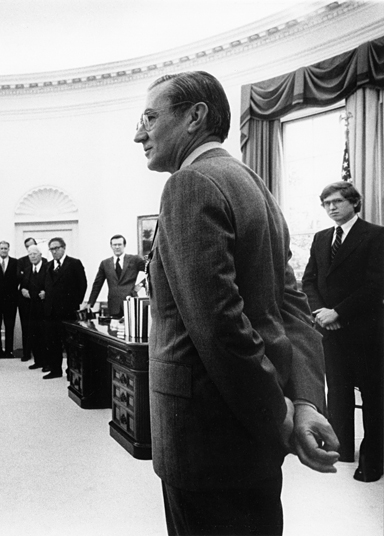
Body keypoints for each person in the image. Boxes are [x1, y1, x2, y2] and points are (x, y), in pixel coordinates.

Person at [133, 70, 340, 535]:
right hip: (250, 442)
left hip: (205, 440)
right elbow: (293, 306)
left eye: (149, 117)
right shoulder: (252, 184)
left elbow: (219, 327)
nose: (139, 133)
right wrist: (305, 401)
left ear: (194, 117)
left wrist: (279, 412)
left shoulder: (189, 185)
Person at [302, 181, 384, 483]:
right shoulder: (321, 238)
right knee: (337, 392)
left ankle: (373, 460)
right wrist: (320, 312)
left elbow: (376, 286)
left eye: (337, 201)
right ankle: (342, 449)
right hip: (329, 330)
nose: (331, 207)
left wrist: (339, 312)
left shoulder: (375, 235)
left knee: (374, 397)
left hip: (365, 330)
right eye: (326, 203)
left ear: (353, 202)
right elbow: (309, 280)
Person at [42, 237, 87, 379]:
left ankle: (71, 371)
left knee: (69, 344)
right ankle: (55, 370)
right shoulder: (48, 266)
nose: (54, 251)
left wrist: (73, 303)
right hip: (51, 312)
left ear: (64, 248)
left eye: (57, 248)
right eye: (52, 249)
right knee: (52, 342)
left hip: (67, 311)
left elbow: (82, 285)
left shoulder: (74, 263)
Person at [86, 234, 145, 318]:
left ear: (124, 245)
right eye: (115, 245)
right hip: (114, 305)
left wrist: (141, 285)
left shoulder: (135, 259)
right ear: (111, 246)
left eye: (119, 244)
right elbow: (97, 284)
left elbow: (150, 272)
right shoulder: (105, 263)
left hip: (131, 303)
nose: (117, 247)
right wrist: (90, 303)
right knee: (114, 329)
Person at [21, 245, 50, 371]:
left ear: (40, 255)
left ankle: (47, 363)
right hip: (31, 307)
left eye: (34, 254)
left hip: (45, 307)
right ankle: (38, 361)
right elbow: (23, 285)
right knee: (34, 335)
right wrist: (22, 289)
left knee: (45, 335)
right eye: (30, 254)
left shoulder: (47, 268)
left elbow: (52, 285)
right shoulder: (27, 270)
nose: (32, 256)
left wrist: (46, 293)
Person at [0, 240, 19, 359]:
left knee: (9, 325)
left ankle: (9, 350)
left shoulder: (15, 262)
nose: (3, 250)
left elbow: (19, 279)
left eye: (5, 248)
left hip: (11, 300)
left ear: (8, 249)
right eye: (1, 248)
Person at [16, 237, 39, 362]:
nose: (30, 249)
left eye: (32, 245)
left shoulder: (45, 261)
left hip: (38, 300)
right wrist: (24, 289)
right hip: (24, 299)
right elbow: (19, 277)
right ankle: (26, 353)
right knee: (26, 327)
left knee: (39, 327)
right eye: (27, 247)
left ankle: (39, 354)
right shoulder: (21, 261)